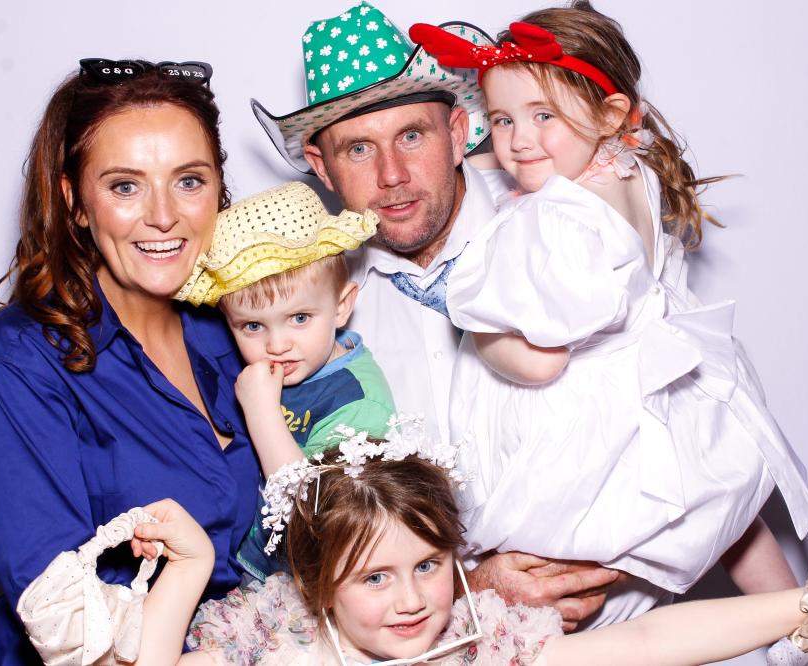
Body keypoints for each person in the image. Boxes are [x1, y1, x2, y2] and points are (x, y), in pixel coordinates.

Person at [405, 1, 808, 625]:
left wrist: (479, 330)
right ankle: (797, 619)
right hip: (667, 389)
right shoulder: (630, 170)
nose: (518, 141)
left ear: (609, 114)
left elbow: (541, 364)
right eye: (502, 119)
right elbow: (521, 157)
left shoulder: (561, 220)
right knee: (723, 502)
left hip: (585, 424)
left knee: (547, 566)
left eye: (543, 116)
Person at [250, 1, 615, 628]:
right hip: (428, 639)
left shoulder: (568, 220)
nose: (392, 175)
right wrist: (469, 591)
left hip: (626, 623)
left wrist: (618, 561)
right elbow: (328, 525)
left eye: (412, 136)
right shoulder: (312, 315)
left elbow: (679, 416)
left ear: (458, 131)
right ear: (322, 167)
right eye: (358, 148)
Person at [118, 419, 808, 665]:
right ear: (317, 584)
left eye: (428, 565)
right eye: (374, 578)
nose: (412, 600)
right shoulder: (271, 633)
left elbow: (644, 642)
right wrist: (191, 568)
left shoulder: (483, 638)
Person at [0, 59, 259, 664]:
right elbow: (72, 635)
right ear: (75, 203)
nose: (163, 215)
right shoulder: (15, 365)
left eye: (189, 181)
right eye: (125, 186)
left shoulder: (239, 330)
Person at [174, 180, 395, 580]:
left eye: (299, 318)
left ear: (342, 306)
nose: (277, 345)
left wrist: (261, 411)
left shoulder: (358, 401)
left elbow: (313, 512)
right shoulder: (265, 365)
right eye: (252, 326)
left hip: (308, 583)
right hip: (247, 565)